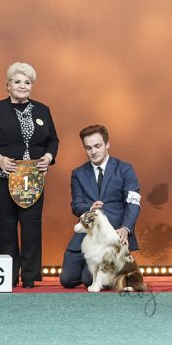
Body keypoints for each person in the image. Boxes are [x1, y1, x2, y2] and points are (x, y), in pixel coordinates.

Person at [0, 62, 59, 288]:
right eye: (17, 81)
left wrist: (48, 157)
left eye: (27, 82)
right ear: (8, 86)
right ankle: (8, 276)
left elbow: (53, 140)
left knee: (32, 225)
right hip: (3, 176)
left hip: (33, 178)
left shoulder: (43, 110)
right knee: (6, 224)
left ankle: (30, 276)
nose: (23, 86)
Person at [60, 124, 142, 289]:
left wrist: (126, 228)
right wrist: (89, 209)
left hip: (113, 237)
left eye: (97, 146)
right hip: (86, 237)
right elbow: (76, 205)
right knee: (67, 280)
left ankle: (115, 271)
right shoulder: (78, 173)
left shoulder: (125, 169)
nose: (93, 152)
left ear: (107, 144)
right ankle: (107, 272)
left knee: (88, 280)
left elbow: (133, 203)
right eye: (88, 148)